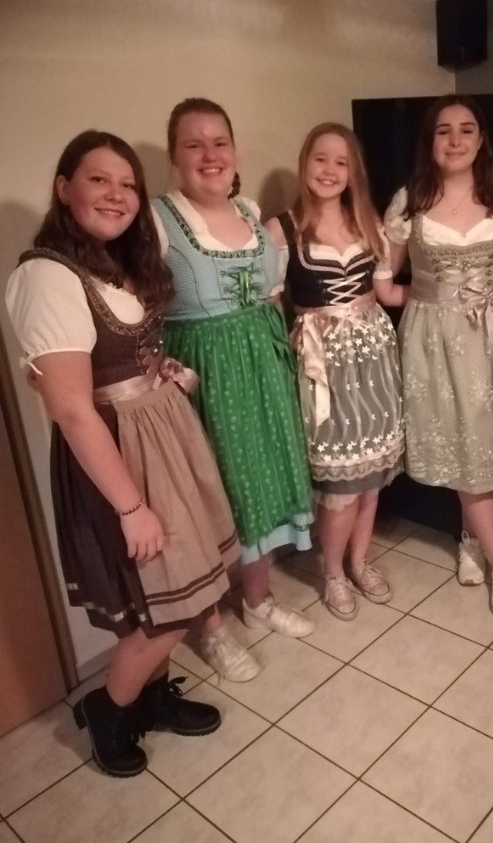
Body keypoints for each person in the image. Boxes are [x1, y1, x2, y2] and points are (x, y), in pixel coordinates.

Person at [5, 131, 235, 777]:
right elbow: (73, 410)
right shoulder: (47, 276)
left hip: (160, 437)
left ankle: (151, 697)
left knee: (167, 596)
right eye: (99, 180)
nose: (117, 195)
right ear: (64, 188)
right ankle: (108, 708)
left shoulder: (114, 264)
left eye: (128, 184)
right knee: (166, 608)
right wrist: (132, 508)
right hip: (118, 458)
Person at [152, 98, 315, 657]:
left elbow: (271, 293)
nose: (210, 155)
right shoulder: (158, 221)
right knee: (207, 497)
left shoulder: (249, 210)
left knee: (260, 483)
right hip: (203, 372)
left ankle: (258, 599)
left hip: (261, 363)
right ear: (174, 156)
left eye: (219, 142)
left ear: (234, 150)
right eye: (194, 145)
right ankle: (212, 629)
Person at [384, 95, 493, 622]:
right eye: (443, 130)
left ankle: (471, 540)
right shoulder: (409, 201)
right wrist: (434, 297)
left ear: (481, 138)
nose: (455, 140)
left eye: (467, 129)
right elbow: (385, 282)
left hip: (492, 335)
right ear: (430, 141)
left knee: (480, 447)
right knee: (466, 450)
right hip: (434, 339)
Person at [266, 123, 405, 620]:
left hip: (374, 357)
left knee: (370, 479)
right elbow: (271, 309)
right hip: (321, 365)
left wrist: (444, 294)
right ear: (305, 163)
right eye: (320, 159)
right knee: (340, 486)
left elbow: (386, 293)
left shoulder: (368, 222)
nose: (329, 170)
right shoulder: (281, 230)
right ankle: (332, 573)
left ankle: (359, 561)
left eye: (340, 162)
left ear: (353, 172)